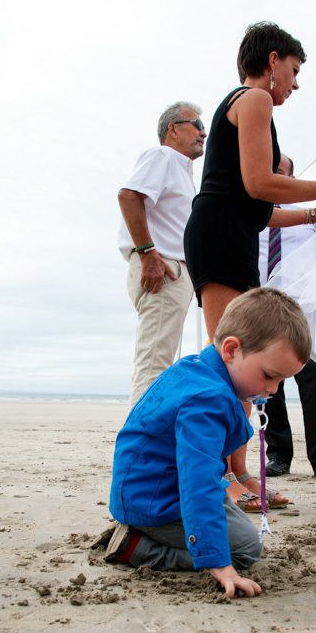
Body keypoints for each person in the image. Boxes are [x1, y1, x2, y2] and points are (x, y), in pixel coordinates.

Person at [183, 21, 316, 509]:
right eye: (295, 69)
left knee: (241, 360)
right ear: (272, 60)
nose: (295, 83)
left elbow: (257, 209)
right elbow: (260, 181)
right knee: (231, 359)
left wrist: (310, 212)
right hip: (218, 233)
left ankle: (239, 472)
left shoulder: (251, 106)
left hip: (230, 230)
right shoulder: (255, 98)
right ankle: (226, 477)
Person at [105, 288, 311, 599]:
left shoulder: (196, 369)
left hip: (148, 488)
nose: (272, 390)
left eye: (281, 381)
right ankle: (136, 547)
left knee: (234, 526)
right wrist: (218, 561)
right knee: (246, 549)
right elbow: (196, 481)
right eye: (269, 376)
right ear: (231, 350)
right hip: (155, 501)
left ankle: (152, 535)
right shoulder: (207, 400)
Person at [118, 101, 207, 406]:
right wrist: (148, 254)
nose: (204, 133)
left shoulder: (180, 170)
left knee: (160, 365)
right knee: (153, 369)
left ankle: (147, 447)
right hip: (162, 269)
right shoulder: (163, 156)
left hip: (172, 270)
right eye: (196, 124)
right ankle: (140, 452)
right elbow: (129, 195)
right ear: (173, 128)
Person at [258, 153, 316, 479]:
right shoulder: (251, 214)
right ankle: (278, 455)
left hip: (303, 308)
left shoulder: (312, 215)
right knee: (267, 383)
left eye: (283, 172)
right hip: (261, 304)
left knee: (313, 379)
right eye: (271, 170)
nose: (277, 175)